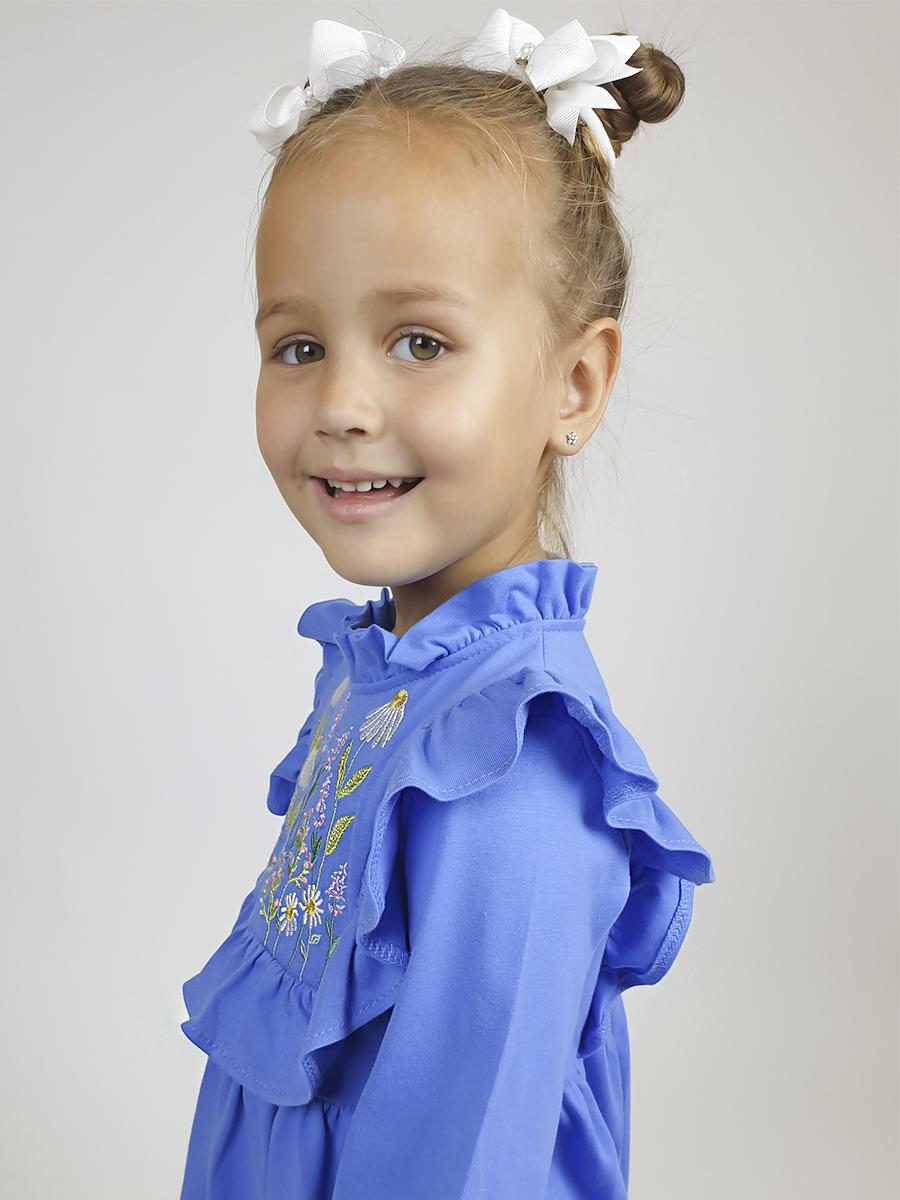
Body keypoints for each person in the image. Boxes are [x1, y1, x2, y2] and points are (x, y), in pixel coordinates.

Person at [178, 9, 715, 1198]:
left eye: (420, 342)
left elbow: (460, 1162)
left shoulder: (509, 770)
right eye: (298, 347)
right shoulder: (402, 676)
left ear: (574, 384)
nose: (343, 404)